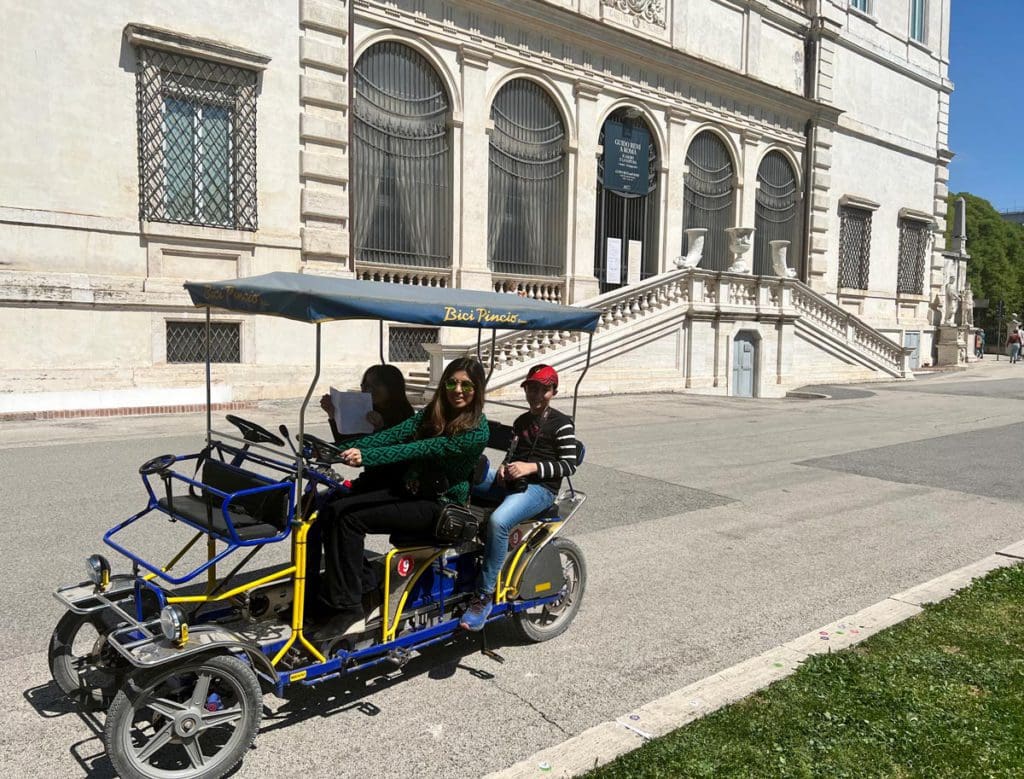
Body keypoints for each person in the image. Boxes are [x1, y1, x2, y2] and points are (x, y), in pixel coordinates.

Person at [312, 358, 489, 639]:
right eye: (452, 382)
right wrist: (337, 450)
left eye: (466, 385)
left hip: (441, 507)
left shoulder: (477, 431)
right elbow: (395, 435)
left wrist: (365, 456)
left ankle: (350, 606)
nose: (458, 389)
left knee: (350, 519)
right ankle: (336, 590)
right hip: (413, 493)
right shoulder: (435, 412)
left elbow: (416, 449)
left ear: (478, 389)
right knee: (333, 508)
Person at [460, 364, 578, 632]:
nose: (536, 395)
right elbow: (513, 452)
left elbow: (569, 465)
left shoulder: (562, 424)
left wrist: (531, 467)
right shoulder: (521, 422)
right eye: (532, 388)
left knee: (499, 521)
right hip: (514, 481)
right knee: (461, 480)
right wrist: (504, 467)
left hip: (541, 490)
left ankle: (484, 596)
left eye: (543, 390)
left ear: (553, 392)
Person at [320, 364, 414, 440]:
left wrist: (381, 428)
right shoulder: (365, 410)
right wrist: (332, 414)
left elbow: (400, 448)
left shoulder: (404, 413)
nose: (369, 389)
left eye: (376, 384)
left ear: (392, 387)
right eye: (365, 385)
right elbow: (345, 443)